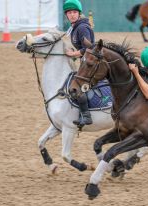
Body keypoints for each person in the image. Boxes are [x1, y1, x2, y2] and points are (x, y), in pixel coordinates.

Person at [64, 0, 95, 128]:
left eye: (74, 12)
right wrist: (76, 53)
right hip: (85, 60)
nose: (72, 15)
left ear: (79, 13)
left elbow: (90, 48)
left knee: (76, 87)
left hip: (91, 62)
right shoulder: (74, 27)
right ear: (66, 15)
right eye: (69, 12)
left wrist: (74, 54)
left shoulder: (81, 28)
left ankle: (86, 116)